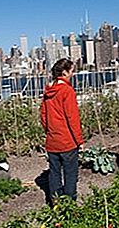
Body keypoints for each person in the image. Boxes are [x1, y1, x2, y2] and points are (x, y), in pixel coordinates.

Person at [40, 58, 84, 203]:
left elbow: (44, 116)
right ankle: (69, 203)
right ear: (64, 72)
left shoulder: (48, 91)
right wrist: (79, 140)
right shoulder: (67, 91)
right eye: (71, 71)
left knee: (54, 172)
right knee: (70, 173)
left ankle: (55, 201)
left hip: (52, 141)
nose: (73, 74)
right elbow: (73, 118)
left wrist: (49, 131)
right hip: (67, 141)